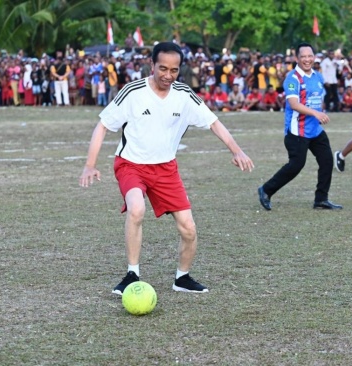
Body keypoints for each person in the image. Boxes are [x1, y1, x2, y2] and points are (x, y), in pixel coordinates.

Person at [79, 42, 254, 296]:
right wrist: (89, 165)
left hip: (165, 169)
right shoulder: (133, 91)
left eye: (174, 70)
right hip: (131, 164)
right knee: (137, 209)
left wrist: (236, 150)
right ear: (151, 65)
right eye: (163, 69)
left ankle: (182, 278)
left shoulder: (184, 95)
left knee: (189, 228)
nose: (168, 75)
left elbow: (214, 123)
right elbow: (103, 125)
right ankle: (132, 274)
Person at [257, 42, 342, 211]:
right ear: (297, 58)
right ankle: (266, 190)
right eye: (303, 56)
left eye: (310, 56)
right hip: (297, 130)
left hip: (315, 130)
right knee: (296, 165)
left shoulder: (318, 76)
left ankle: (321, 199)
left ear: (314, 57)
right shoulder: (292, 78)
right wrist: (316, 114)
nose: (307, 59)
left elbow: (318, 98)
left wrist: (319, 112)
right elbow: (294, 104)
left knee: (327, 161)